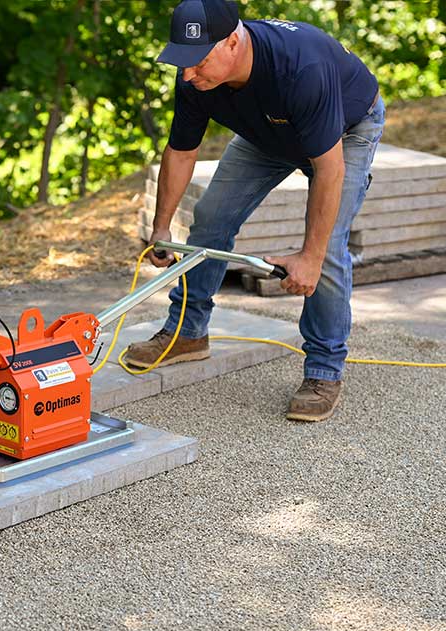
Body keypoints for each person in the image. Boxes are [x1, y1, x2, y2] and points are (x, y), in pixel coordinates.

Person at [124, 0, 383, 423]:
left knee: (328, 246)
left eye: (198, 62)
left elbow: (329, 171)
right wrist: (161, 225)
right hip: (268, 131)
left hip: (346, 130)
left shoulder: (301, 69)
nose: (188, 74)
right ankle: (187, 332)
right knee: (211, 217)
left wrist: (310, 258)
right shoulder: (194, 76)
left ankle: (323, 370)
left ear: (233, 41)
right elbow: (181, 150)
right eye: (182, 62)